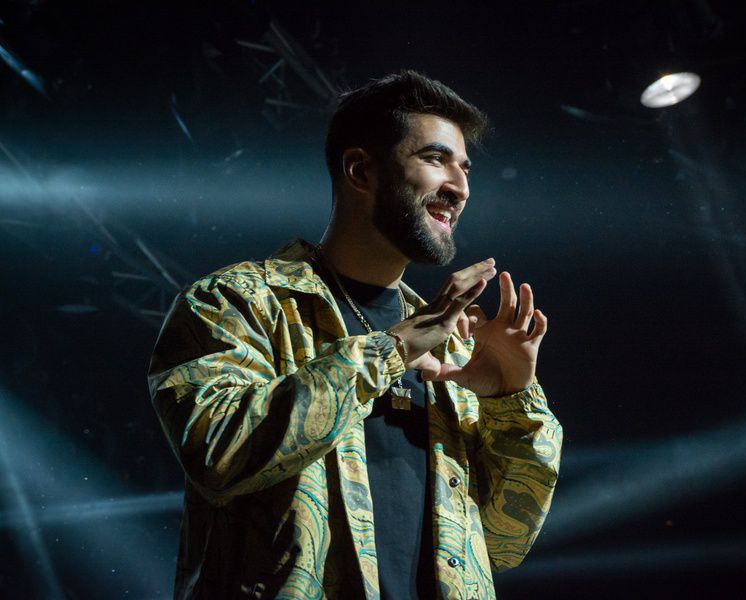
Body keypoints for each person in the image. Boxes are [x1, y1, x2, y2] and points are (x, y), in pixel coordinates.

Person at [148, 70, 562, 600]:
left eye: (464, 167)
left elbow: (504, 542)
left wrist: (511, 400)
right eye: (436, 159)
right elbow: (219, 454)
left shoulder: (456, 343)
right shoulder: (236, 301)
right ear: (361, 170)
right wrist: (391, 351)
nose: (460, 188)